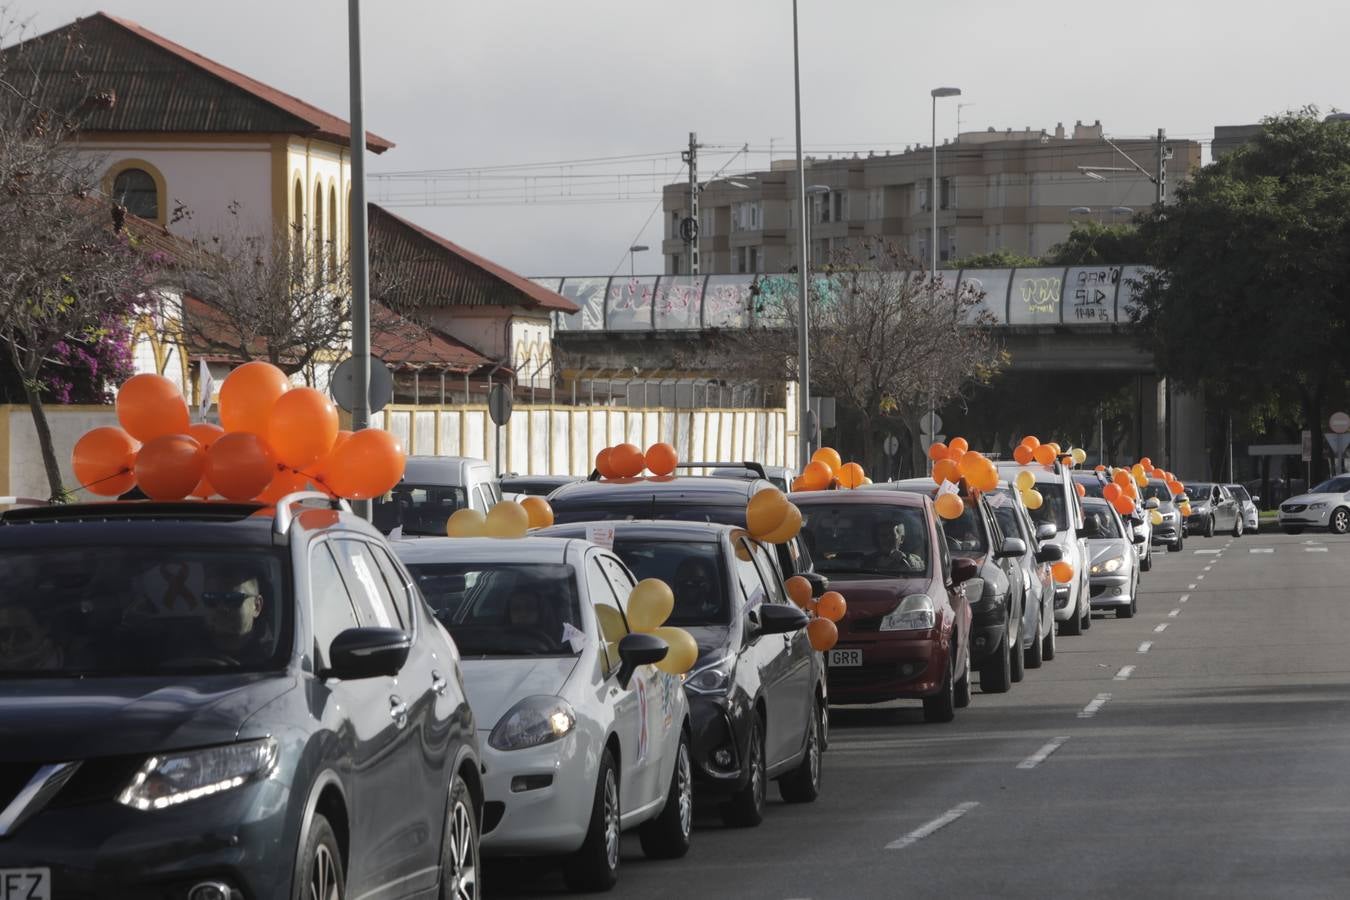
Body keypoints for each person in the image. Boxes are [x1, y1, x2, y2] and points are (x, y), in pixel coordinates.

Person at [199, 569, 271, 661]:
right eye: (211, 598)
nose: (221, 608)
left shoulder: (271, 662)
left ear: (257, 606)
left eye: (232, 599)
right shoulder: (187, 649)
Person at [0, 603, 64, 671]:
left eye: (22, 634)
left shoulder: (72, 665)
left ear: (44, 628)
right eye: (4, 633)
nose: (11, 642)